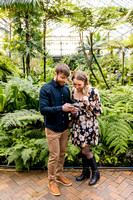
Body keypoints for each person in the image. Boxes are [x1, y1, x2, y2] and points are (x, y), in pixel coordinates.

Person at [39, 63, 78, 196]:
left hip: (64, 127)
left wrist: (72, 108)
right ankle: (51, 180)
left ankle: (59, 174)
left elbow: (68, 105)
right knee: (54, 156)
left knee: (62, 153)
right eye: (62, 77)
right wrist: (62, 108)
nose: (64, 81)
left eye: (66, 78)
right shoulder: (45, 89)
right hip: (52, 128)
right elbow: (43, 110)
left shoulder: (66, 89)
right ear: (55, 74)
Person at [70, 71, 103, 186]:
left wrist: (88, 103)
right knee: (82, 148)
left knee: (85, 150)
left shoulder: (93, 91)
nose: (77, 87)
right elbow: (73, 106)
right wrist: (72, 111)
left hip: (89, 126)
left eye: (79, 85)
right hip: (78, 125)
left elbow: (98, 111)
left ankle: (95, 172)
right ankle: (85, 172)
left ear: (85, 82)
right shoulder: (73, 91)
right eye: (75, 84)